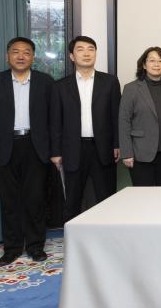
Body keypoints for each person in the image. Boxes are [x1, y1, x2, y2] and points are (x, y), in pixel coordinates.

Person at [0, 37, 54, 266]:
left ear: (33, 57)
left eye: (26, 52)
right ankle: (11, 248)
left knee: (35, 200)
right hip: (4, 148)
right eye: (15, 52)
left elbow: (54, 119)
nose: (21, 56)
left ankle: (35, 246)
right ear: (7, 56)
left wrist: (53, 150)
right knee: (9, 201)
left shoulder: (45, 82)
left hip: (36, 146)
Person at [50, 35, 121, 219]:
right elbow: (56, 121)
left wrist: (117, 144)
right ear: (72, 56)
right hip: (72, 149)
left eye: (91, 49)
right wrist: (56, 152)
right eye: (80, 50)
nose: (86, 53)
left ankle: (107, 234)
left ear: (96, 53)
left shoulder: (110, 82)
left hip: (103, 148)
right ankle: (72, 236)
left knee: (107, 198)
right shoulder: (60, 86)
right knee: (72, 200)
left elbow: (116, 116)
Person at [119, 47, 161, 187]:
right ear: (144, 65)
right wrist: (126, 153)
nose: (156, 64)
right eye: (152, 60)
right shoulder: (131, 88)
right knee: (143, 196)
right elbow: (124, 121)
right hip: (140, 153)